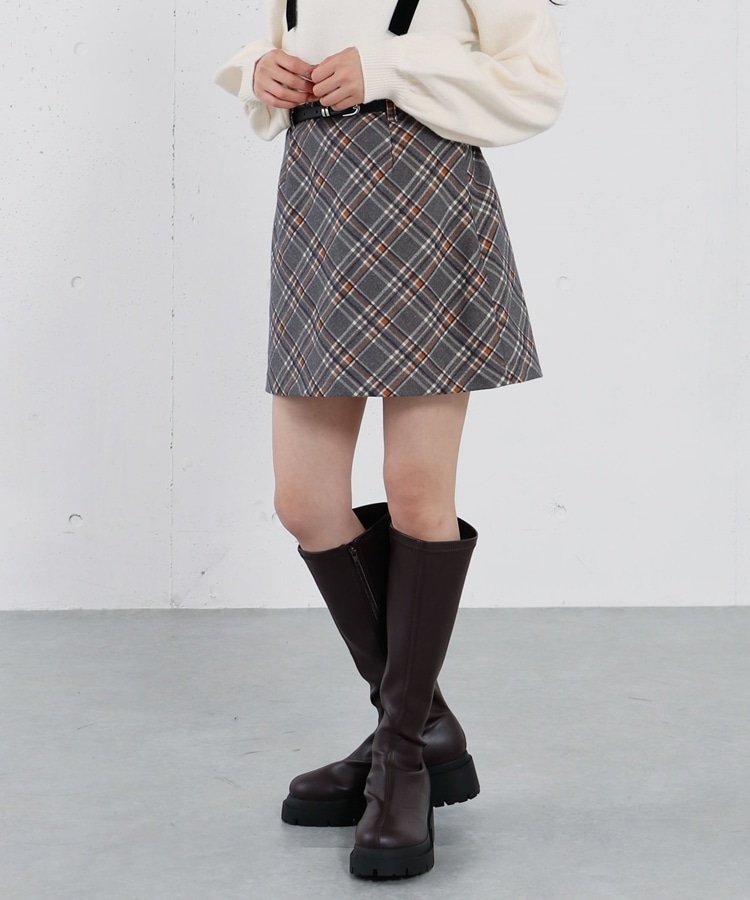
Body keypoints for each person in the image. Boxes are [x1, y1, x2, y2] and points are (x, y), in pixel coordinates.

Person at [213, 0, 567, 880]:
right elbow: (281, 43)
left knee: (417, 493)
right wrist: (258, 70)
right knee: (304, 502)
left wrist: (392, 70)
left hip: (425, 196)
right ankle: (421, 727)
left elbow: (536, 84)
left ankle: (401, 755)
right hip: (318, 203)